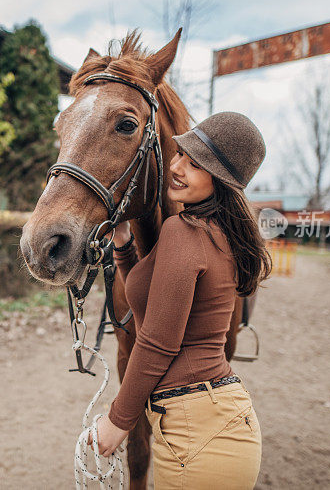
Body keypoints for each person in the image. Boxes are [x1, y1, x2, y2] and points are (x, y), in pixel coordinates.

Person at [88, 111, 272, 489]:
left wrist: (118, 421)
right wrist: (123, 244)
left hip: (197, 434)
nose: (177, 167)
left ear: (220, 181)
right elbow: (152, 296)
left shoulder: (183, 232)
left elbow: (157, 340)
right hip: (214, 422)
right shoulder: (212, 231)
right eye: (181, 154)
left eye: (197, 164)